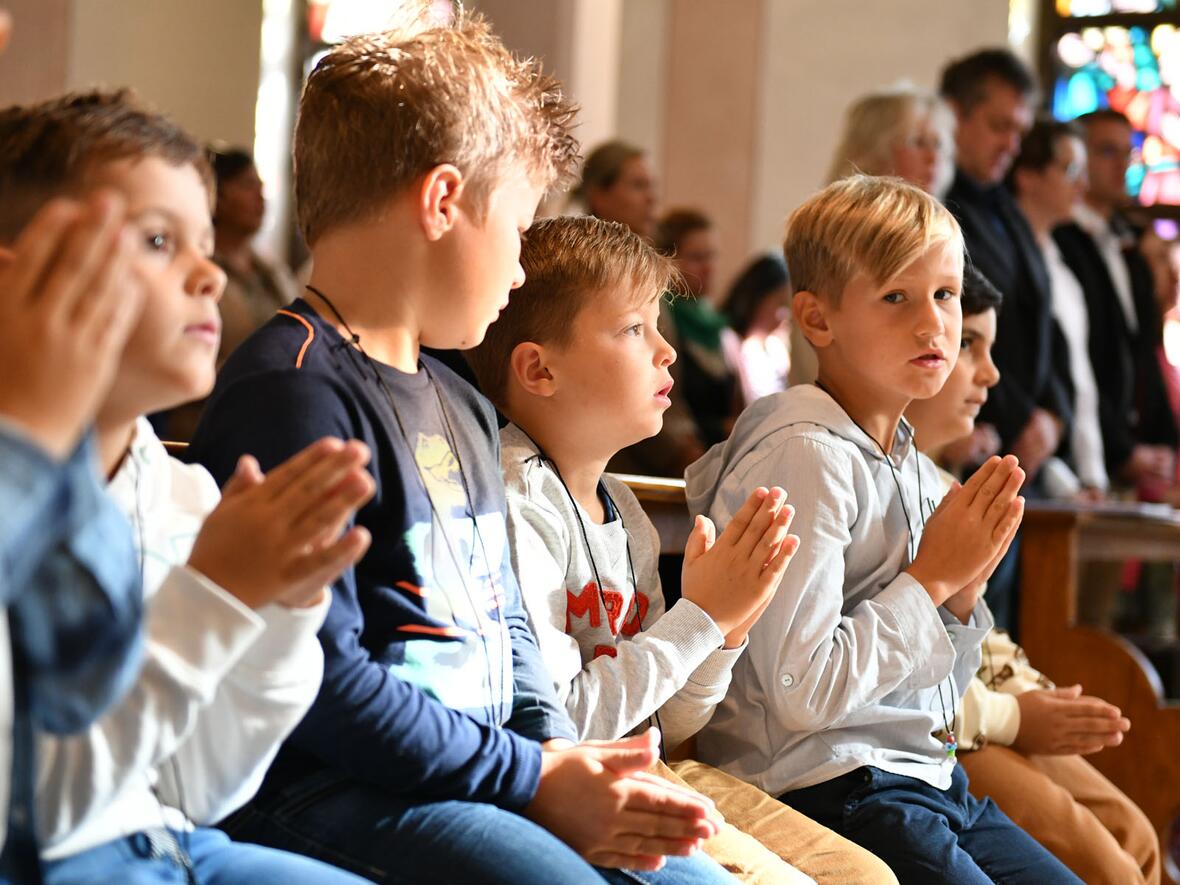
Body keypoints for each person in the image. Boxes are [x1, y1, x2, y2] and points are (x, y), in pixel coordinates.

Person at [187, 11, 728, 884]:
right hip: (332, 789)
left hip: (482, 777)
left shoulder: (462, 403)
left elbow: (508, 623)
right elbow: (321, 681)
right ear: (442, 202)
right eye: (517, 229)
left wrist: (558, 758)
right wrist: (535, 776)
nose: (520, 270)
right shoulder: (294, 391)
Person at [0, 89, 379, 885]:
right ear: (17, 277)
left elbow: (197, 787)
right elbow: (37, 808)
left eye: (204, 242)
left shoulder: (182, 494)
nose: (208, 274)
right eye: (159, 240)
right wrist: (212, 596)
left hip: (176, 844)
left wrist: (277, 609)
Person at [469, 213, 902, 884]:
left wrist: (726, 629)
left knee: (867, 877)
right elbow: (562, 722)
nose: (667, 351)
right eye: (635, 330)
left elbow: (670, 721)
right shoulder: (516, 502)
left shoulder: (628, 512)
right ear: (540, 369)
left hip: (662, 764)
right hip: (579, 789)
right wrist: (697, 620)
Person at [686, 175, 1083, 883]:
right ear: (816, 320)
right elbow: (801, 693)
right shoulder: (806, 454)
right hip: (827, 787)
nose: (934, 324)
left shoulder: (901, 458)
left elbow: (928, 691)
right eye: (897, 297)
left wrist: (961, 597)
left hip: (924, 774)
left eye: (946, 295)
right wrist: (929, 580)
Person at [904, 262, 1159, 884]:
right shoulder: (860, 479)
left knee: (1136, 837)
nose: (991, 374)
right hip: (943, 733)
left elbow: (974, 630)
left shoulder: (940, 481)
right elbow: (905, 649)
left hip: (983, 709)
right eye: (969, 344)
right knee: (1109, 870)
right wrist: (1015, 716)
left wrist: (1024, 693)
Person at [940, 48, 1071, 493]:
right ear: (955, 114)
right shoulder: (939, 210)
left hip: (1023, 447)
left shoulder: (1008, 209)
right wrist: (1023, 419)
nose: (1012, 147)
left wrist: (1054, 415)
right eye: (1000, 127)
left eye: (1019, 132)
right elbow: (962, 325)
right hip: (976, 437)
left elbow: (1044, 323)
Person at [1054, 110, 1177, 491]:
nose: (1122, 165)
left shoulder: (1126, 244)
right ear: (1078, 157)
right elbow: (1076, 359)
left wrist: (1163, 444)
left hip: (1133, 450)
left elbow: (1141, 350)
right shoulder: (1061, 238)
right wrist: (1122, 451)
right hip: (1084, 454)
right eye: (1107, 151)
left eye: (1128, 153)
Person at [1006, 117, 1107, 499]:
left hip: (1058, 453)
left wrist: (1092, 472)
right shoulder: (1004, 259)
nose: (1083, 183)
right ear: (1028, 176)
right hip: (1017, 451)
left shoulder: (1064, 269)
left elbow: (1077, 376)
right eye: (1070, 170)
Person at [208, 145, 299, 366]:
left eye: (260, 186)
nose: (260, 197)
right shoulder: (205, 272)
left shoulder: (273, 271)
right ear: (217, 196)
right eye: (247, 185)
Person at [827, 84, 955, 198]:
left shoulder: (938, 221)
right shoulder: (843, 218)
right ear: (872, 149)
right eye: (918, 143)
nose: (934, 157)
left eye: (938, 145)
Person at [722, 255, 792, 407]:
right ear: (757, 297)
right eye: (780, 302)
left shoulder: (775, 348)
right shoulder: (728, 340)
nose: (784, 313)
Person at [575, 140, 659, 242]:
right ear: (599, 197)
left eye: (651, 186)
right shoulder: (573, 256)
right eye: (638, 185)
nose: (652, 198)